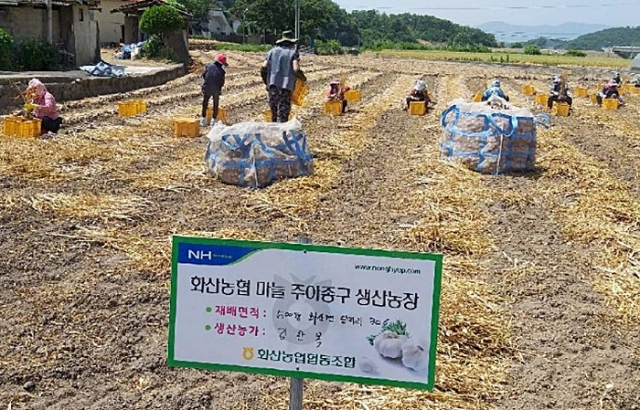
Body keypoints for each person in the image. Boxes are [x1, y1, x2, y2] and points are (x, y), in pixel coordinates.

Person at [261, 30, 307, 122]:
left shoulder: (271, 52)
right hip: (285, 88)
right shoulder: (293, 53)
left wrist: (267, 83)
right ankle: (282, 130)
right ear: (291, 43)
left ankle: (273, 129)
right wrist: (303, 78)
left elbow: (263, 68)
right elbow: (296, 69)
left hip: (272, 86)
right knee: (283, 116)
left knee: (273, 114)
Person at [200, 53, 228, 127]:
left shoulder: (208, 67)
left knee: (205, 102)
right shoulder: (222, 72)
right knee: (215, 103)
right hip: (216, 89)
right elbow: (222, 82)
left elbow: (204, 76)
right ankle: (213, 120)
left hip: (207, 87)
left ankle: (203, 119)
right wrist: (219, 88)